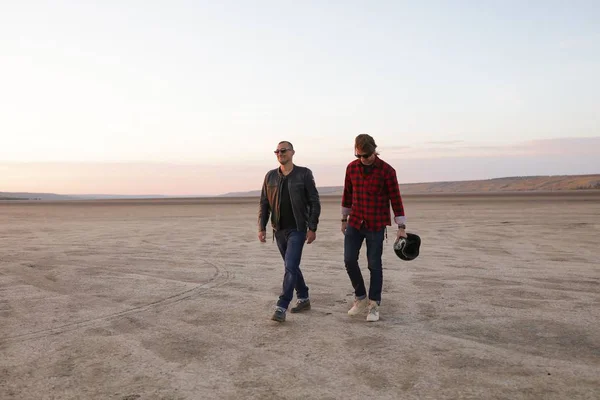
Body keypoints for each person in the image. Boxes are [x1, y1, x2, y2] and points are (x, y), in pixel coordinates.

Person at [341, 134, 407, 322]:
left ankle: (374, 304)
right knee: (348, 260)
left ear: (374, 150)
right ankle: (360, 297)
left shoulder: (387, 170)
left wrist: (401, 226)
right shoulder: (351, 168)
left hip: (376, 224)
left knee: (374, 264)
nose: (363, 159)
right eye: (359, 156)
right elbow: (347, 193)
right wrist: (343, 218)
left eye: (367, 155)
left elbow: (396, 199)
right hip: (355, 222)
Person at [258, 141, 321, 322]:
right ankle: (304, 297)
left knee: (291, 265)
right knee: (290, 266)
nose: (280, 153)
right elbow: (264, 203)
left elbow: (314, 202)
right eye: (277, 151)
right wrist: (262, 227)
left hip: (298, 229)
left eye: (283, 150)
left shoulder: (304, 174)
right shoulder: (270, 176)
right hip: (279, 230)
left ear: (292, 152)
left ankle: (281, 306)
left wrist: (312, 227)